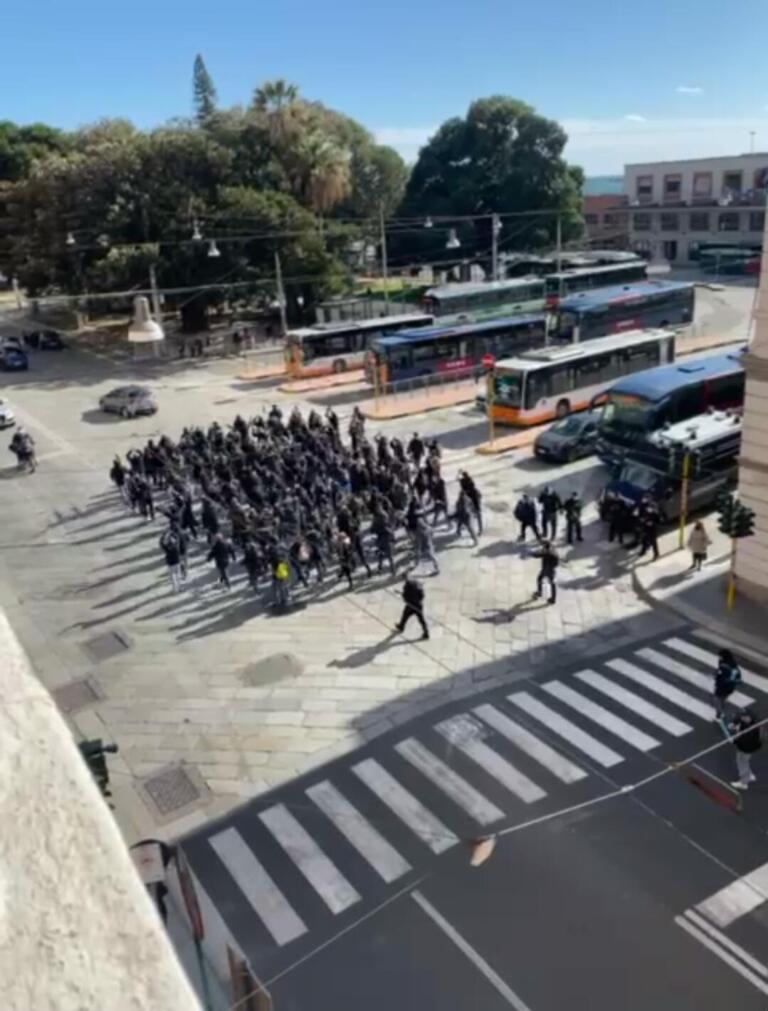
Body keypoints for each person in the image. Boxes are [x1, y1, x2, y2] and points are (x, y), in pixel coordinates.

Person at [729, 709, 762, 790]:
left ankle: (744, 782)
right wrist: (734, 724)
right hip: (750, 747)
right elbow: (738, 719)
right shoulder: (750, 720)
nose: (742, 718)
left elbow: (743, 741)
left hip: (747, 748)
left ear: (749, 717)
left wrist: (734, 741)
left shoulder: (752, 730)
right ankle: (749, 775)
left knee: (741, 762)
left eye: (744, 716)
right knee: (745, 761)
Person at [713, 648, 742, 722]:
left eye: (720, 656)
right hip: (731, 686)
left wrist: (717, 680)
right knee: (722, 698)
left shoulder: (723, 665)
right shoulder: (733, 663)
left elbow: (720, 676)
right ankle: (720, 712)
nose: (718, 657)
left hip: (723, 686)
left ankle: (720, 714)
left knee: (717, 699)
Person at [532, 540, 559, 605]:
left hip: (547, 569)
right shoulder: (552, 548)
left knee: (542, 579)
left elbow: (536, 555)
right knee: (550, 582)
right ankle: (552, 598)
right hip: (551, 568)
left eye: (543, 546)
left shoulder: (547, 552)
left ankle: (540, 593)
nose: (542, 548)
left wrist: (531, 552)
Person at [159, 528, 183, 593]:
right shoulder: (176, 546)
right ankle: (180, 587)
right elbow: (177, 539)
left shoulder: (167, 548)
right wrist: (171, 533)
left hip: (170, 561)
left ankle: (174, 589)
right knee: (178, 574)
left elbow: (161, 544)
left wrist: (163, 537)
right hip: (177, 560)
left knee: (172, 576)